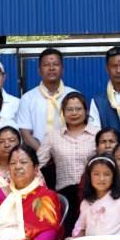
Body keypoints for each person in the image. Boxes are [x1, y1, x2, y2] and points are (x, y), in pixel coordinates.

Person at [14, 47, 80, 157]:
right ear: (39, 71)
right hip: (38, 157)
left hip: (71, 155)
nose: (51, 68)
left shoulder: (75, 96)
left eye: (56, 64)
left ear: (62, 69)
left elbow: (81, 128)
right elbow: (25, 133)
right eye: (46, 65)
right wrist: (44, 153)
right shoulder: (28, 98)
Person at [47, 91, 99, 231]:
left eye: (78, 109)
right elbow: (37, 164)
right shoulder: (52, 136)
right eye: (69, 109)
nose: (74, 113)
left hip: (93, 193)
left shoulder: (97, 134)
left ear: (86, 111)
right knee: (68, 232)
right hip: (65, 195)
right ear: (63, 113)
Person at [72, 155, 120, 237]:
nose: (101, 178)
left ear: (113, 177)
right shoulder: (86, 203)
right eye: (96, 174)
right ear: (89, 176)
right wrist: (74, 239)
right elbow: (83, 229)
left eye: (106, 174)